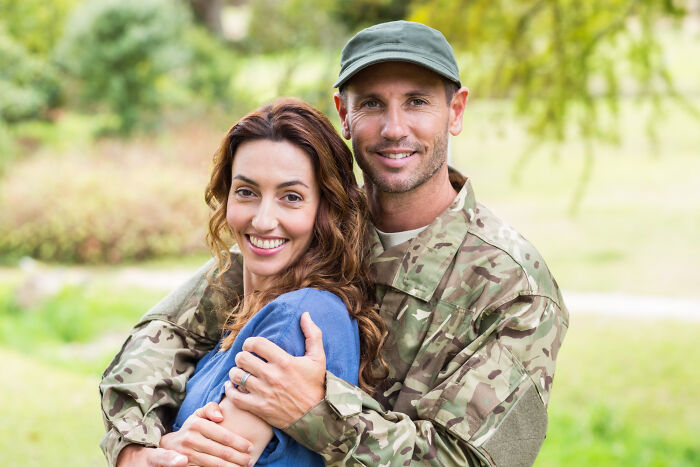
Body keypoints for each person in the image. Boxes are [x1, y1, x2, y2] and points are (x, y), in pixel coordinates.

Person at [101, 20, 569, 466]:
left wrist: (319, 412)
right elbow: (164, 333)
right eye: (370, 104)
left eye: (417, 102)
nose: (393, 128)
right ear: (344, 114)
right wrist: (135, 447)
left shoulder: (514, 286)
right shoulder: (315, 228)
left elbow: (472, 459)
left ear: (457, 111)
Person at [106, 98, 387, 466]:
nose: (263, 219)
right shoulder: (245, 306)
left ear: (325, 209)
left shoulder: (298, 318)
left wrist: (164, 453)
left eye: (291, 197)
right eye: (247, 192)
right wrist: (152, 448)